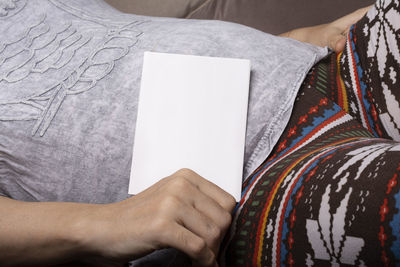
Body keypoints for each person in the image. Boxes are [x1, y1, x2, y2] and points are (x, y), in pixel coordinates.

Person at [0, 0, 393, 266]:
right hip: (235, 193)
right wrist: (100, 224)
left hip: (314, 66)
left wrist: (286, 42)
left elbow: (114, 39)